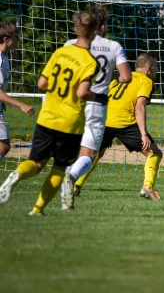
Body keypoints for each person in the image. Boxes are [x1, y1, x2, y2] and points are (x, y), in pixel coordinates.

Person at [0, 11, 101, 215]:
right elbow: (82, 92)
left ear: (75, 29)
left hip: (46, 117)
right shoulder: (91, 62)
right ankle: (37, 210)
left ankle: (17, 175)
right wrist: (98, 97)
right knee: (59, 168)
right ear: (95, 32)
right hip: (70, 122)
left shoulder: (59, 53)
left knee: (36, 163)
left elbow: (41, 83)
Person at [60, 4, 131, 210]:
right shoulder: (113, 46)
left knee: (70, 149)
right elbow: (126, 77)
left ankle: (65, 192)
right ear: (102, 26)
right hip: (96, 104)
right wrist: (111, 75)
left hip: (71, 103)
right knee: (89, 154)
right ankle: (71, 177)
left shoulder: (71, 44)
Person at [75, 52, 163, 200]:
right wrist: (143, 133)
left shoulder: (120, 76)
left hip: (104, 119)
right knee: (154, 153)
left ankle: (75, 185)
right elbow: (139, 107)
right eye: (155, 67)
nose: (156, 71)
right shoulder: (146, 81)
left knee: (94, 154)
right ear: (148, 68)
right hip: (125, 123)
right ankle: (148, 187)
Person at [0, 22, 36, 159]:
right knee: (4, 147)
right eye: (16, 37)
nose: (18, 40)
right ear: (6, 39)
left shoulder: (4, 57)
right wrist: (22, 105)